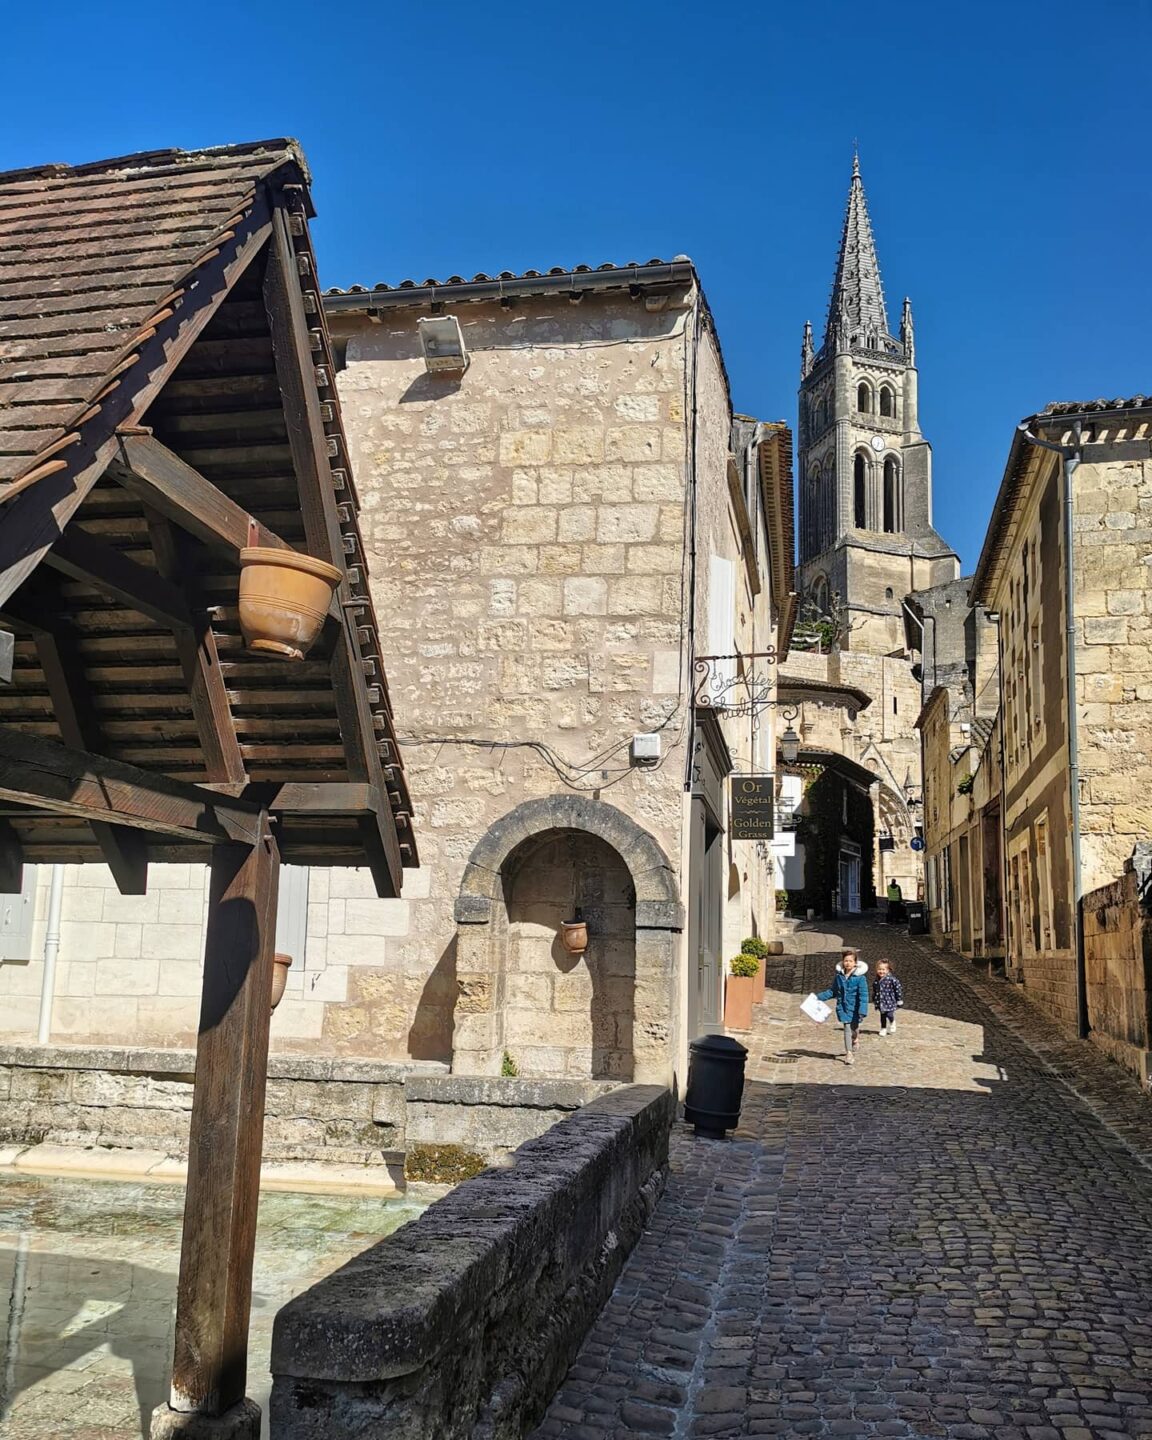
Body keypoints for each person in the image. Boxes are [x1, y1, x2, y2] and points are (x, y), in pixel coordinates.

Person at [817, 948, 869, 1065]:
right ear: (842, 962)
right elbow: (833, 991)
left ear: (855, 963)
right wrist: (818, 997)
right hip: (843, 1008)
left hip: (855, 1008)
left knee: (854, 1028)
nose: (848, 963)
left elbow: (863, 995)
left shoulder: (860, 978)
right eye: (846, 961)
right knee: (847, 1028)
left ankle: (855, 1039)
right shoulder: (839, 977)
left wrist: (862, 1009)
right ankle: (849, 1053)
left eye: (850, 961)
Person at [874, 959, 904, 1036]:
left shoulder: (892, 979)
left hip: (890, 1000)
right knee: (882, 1015)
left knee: (889, 1014)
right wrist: (874, 998)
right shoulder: (877, 980)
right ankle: (883, 1028)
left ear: (888, 970)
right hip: (881, 1001)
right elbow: (875, 990)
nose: (881, 971)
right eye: (879, 969)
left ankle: (892, 1021)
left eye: (883, 969)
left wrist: (899, 999)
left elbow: (898, 989)